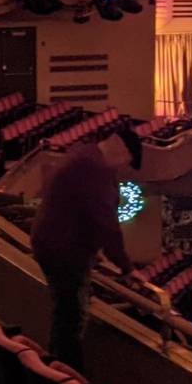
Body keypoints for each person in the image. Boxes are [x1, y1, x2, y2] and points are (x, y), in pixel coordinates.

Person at [29, 127, 147, 369]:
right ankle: (67, 375)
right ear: (122, 149)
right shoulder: (95, 169)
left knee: (66, 312)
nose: (123, 167)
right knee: (71, 317)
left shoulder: (86, 154)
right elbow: (105, 223)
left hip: (54, 244)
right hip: (64, 250)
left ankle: (58, 369)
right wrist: (127, 267)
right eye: (127, 161)